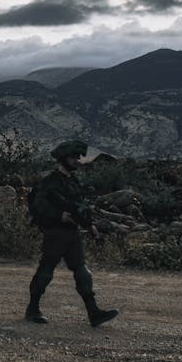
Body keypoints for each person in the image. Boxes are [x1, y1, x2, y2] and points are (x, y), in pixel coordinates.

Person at [25, 140, 118, 327]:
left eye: (77, 157)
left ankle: (94, 312)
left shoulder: (73, 181)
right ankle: (32, 309)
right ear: (63, 158)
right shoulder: (49, 181)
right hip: (55, 232)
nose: (77, 160)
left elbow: (79, 208)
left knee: (82, 272)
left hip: (72, 233)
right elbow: (37, 204)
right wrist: (59, 215)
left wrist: (89, 225)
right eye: (73, 157)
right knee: (46, 271)